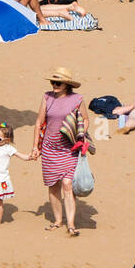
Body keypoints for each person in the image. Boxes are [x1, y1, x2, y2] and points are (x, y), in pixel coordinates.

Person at [30, 68, 88, 236]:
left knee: (67, 184)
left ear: (66, 85)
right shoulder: (47, 97)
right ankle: (57, 221)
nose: (54, 85)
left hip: (69, 149)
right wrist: (35, 146)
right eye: (52, 82)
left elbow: (85, 119)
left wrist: (81, 133)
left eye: (58, 83)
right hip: (49, 149)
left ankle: (70, 224)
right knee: (53, 186)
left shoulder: (77, 99)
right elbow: (39, 121)